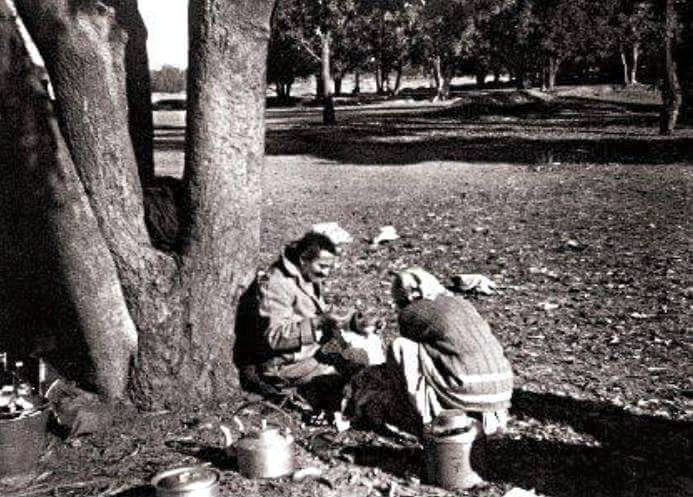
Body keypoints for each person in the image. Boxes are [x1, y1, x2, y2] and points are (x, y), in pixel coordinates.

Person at [343, 267, 513, 440]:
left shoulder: (412, 311)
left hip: (466, 387)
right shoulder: (462, 303)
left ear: (407, 296)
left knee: (400, 348)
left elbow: (410, 363)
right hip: (500, 391)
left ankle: (427, 418)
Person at [235, 231, 376, 407]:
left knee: (368, 353)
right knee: (360, 377)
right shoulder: (277, 284)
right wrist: (319, 322)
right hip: (287, 365)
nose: (326, 273)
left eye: (329, 267)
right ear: (303, 259)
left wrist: (355, 322)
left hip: (312, 352)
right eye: (323, 266)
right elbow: (274, 337)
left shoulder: (306, 274)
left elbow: (315, 311)